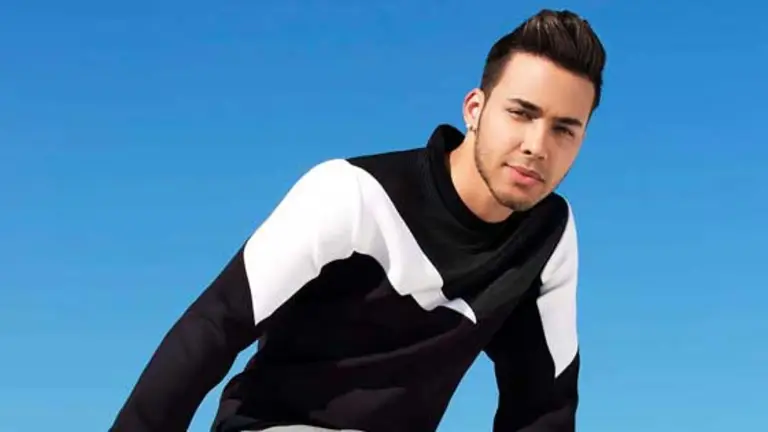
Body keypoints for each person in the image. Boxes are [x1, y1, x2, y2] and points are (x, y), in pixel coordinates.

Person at [111, 8, 606, 432]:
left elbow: (543, 403)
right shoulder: (352, 195)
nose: (537, 146)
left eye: (564, 130)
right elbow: (214, 326)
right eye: (521, 113)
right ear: (475, 109)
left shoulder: (548, 236)